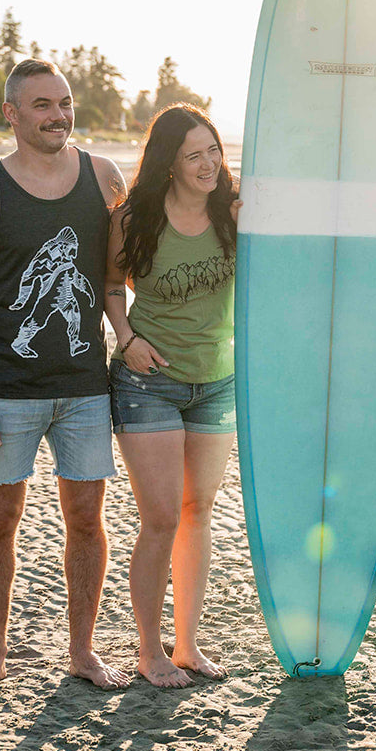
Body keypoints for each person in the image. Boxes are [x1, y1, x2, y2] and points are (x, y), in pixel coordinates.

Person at [0, 58, 129, 696]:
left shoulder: (104, 177)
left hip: (85, 388)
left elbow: (130, 262)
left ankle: (82, 651)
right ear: (13, 114)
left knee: (86, 519)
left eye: (64, 101)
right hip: (8, 392)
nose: (58, 115)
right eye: (43, 105)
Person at [105, 105, 237, 688]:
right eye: (194, 155)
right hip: (148, 381)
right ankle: (150, 650)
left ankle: (187, 644)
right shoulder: (135, 218)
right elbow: (111, 286)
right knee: (159, 518)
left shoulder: (234, 214)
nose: (208, 163)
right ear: (170, 163)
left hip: (218, 382)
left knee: (197, 512)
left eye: (213, 150)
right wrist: (126, 336)